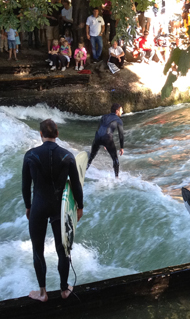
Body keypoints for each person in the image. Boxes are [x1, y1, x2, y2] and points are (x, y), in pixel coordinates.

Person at [22, 119, 84, 302]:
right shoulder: (67, 156)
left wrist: (28, 206)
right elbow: (76, 186)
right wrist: (79, 207)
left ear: (40, 134)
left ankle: (42, 293)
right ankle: (64, 290)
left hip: (38, 206)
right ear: (57, 134)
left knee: (38, 250)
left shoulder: (30, 156)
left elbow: (25, 186)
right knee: (63, 249)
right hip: (60, 207)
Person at [87, 103, 124, 178]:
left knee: (91, 156)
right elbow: (121, 135)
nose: (122, 111)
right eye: (121, 110)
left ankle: (84, 170)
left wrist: (102, 142)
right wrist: (121, 147)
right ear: (117, 111)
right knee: (115, 159)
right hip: (107, 139)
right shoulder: (118, 120)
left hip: (97, 137)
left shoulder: (103, 116)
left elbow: (99, 129)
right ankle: (116, 178)